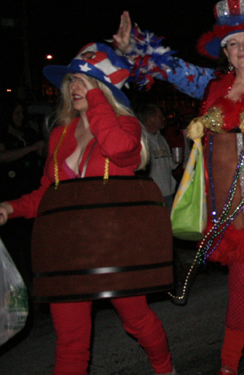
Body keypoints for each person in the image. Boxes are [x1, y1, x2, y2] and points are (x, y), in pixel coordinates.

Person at [114, 0, 244, 375]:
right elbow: (172, 69)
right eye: (232, 43)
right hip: (227, 207)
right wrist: (134, 46)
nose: (241, 49)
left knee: (241, 279)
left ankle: (227, 366)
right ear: (224, 51)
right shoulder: (213, 85)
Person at [0, 43, 176, 375]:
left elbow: (119, 151)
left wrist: (98, 99)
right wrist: (11, 207)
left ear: (105, 89)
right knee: (70, 340)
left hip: (115, 244)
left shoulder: (127, 127)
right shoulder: (59, 134)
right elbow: (49, 194)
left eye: (86, 80)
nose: (75, 87)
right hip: (68, 250)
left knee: (136, 321)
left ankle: (165, 368)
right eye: (72, 81)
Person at [0, 101, 46, 285]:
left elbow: (43, 152)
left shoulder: (29, 133)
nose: (19, 117)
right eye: (16, 113)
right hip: (10, 191)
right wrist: (32, 148)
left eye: (21, 113)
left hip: (31, 189)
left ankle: (34, 283)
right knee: (13, 243)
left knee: (31, 242)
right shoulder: (2, 134)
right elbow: (3, 157)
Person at [137, 104, 179, 209]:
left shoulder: (161, 138)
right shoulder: (141, 140)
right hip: (152, 194)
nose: (163, 119)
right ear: (150, 119)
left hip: (168, 192)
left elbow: (170, 165)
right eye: (160, 117)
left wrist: (176, 161)